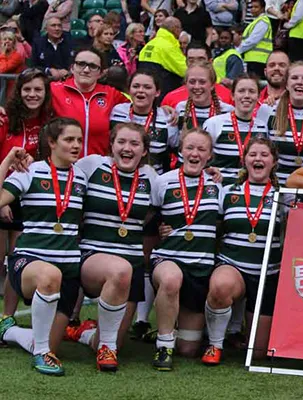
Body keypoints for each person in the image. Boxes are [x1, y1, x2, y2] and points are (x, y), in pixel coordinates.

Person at [0, 117, 87, 376]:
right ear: (51, 142)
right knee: (50, 276)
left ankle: (11, 331)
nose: (76, 145)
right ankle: (39, 353)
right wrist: (6, 162)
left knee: (49, 344)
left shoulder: (81, 176)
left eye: (79, 140)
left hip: (69, 268)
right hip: (29, 260)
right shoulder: (30, 171)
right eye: (69, 140)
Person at [65, 123, 155, 372]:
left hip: (133, 263)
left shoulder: (151, 178)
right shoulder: (92, 164)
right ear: (112, 146)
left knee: (113, 342)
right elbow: (61, 177)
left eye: (135, 144)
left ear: (144, 150)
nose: (127, 148)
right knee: (119, 270)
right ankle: (104, 346)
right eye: (121, 142)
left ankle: (84, 334)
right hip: (94, 257)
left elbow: (163, 211)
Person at [201, 137, 287, 364]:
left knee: (257, 354)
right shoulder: (227, 191)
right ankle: (215, 344)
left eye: (264, 155)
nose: (258, 159)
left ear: (274, 162)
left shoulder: (284, 195)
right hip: (234, 264)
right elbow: (214, 229)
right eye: (253, 155)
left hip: (268, 273)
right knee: (221, 286)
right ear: (244, 160)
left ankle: (241, 333)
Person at [149, 128, 223, 371]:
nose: (194, 153)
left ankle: (169, 325)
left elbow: (223, 224)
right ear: (180, 150)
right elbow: (148, 218)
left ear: (210, 156)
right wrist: (159, 227)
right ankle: (163, 344)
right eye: (189, 147)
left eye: (201, 149)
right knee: (171, 280)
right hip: (168, 259)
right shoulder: (163, 182)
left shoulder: (218, 186)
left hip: (200, 269)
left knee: (189, 350)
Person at [0, 69, 54, 320]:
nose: (32, 95)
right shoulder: (5, 119)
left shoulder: (51, 121)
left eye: (38, 90)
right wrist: (2, 200)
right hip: (3, 195)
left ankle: (7, 317)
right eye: (27, 89)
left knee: (18, 259)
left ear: (46, 93)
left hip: (33, 199)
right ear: (18, 92)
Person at [50, 48, 131, 157]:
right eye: (81, 64)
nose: (86, 70)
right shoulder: (54, 90)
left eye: (93, 66)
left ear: (101, 73)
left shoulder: (111, 94)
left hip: (98, 168)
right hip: (63, 166)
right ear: (72, 68)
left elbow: (139, 109)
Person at [205, 75, 272, 186]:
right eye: (241, 91)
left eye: (251, 91)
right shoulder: (214, 123)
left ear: (258, 96)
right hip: (220, 189)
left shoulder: (262, 127)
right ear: (232, 95)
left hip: (250, 189)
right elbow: (202, 157)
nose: (246, 96)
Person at [110, 71, 173, 175]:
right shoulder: (117, 112)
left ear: (157, 92)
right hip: (117, 177)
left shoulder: (167, 118)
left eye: (147, 87)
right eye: (136, 86)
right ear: (129, 90)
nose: (140, 90)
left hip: (151, 181)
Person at [160, 42, 235, 108]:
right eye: (191, 60)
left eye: (201, 60)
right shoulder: (171, 98)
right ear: (186, 63)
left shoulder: (228, 97)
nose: (196, 64)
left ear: (211, 62)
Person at [139, 17, 188, 99]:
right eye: (180, 28)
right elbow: (185, 70)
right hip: (164, 96)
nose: (180, 31)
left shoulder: (149, 45)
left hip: (146, 93)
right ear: (175, 28)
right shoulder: (168, 46)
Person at [238, 0, 272, 78]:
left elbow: (253, 40)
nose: (253, 9)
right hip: (254, 58)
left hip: (258, 59)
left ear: (263, 9)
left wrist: (238, 50)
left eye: (256, 7)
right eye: (252, 7)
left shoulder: (263, 21)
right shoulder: (257, 21)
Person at [0, 30, 25, 94]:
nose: (7, 41)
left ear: (13, 43)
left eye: (10, 39)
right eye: (5, 39)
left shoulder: (17, 56)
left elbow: (2, 70)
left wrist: (3, 54)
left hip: (12, 89)